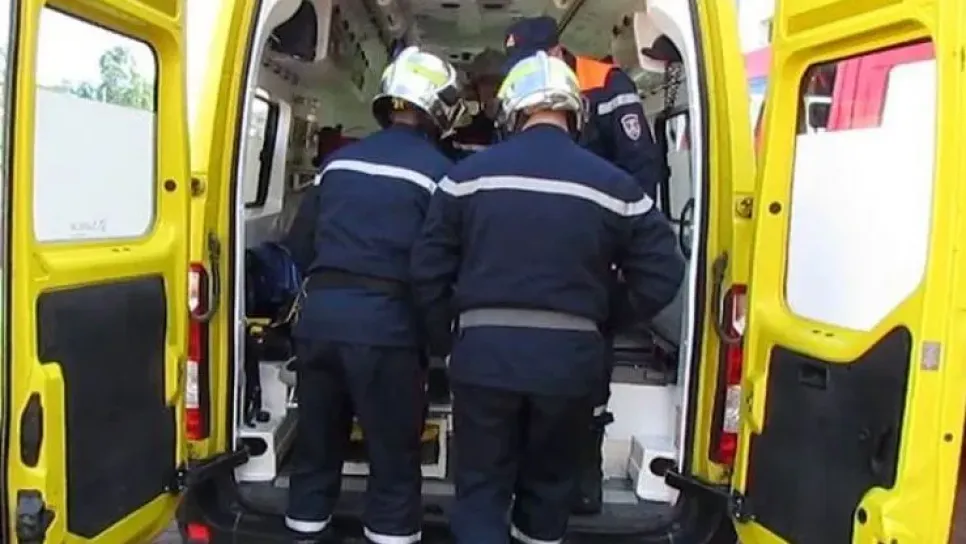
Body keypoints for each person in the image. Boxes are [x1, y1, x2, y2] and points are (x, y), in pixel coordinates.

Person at [410, 51, 684, 544]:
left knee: (481, 490)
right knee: (548, 490)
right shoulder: (616, 186)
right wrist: (604, 317)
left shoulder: (465, 177)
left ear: (512, 111)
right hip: (571, 362)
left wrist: (446, 338)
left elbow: (427, 269)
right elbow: (664, 271)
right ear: (576, 112)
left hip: (484, 356)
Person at [281, 46, 464, 544]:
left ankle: (303, 532)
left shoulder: (336, 164)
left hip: (319, 325)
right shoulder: (441, 176)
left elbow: (298, 247)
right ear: (440, 108)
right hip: (388, 331)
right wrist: (441, 339)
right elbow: (440, 266)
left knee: (315, 451)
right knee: (393, 461)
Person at [503, 15, 669, 514]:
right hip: (539, 242)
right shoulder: (524, 87)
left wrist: (621, 246)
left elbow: (641, 167)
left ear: (557, 53)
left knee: (590, 361)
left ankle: (583, 473)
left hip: (596, 238)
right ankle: (525, 474)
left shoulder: (606, 84)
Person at [442, 48, 505, 160]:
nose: (494, 89)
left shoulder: (520, 128)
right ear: (475, 89)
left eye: (499, 83)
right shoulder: (463, 135)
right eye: (487, 83)